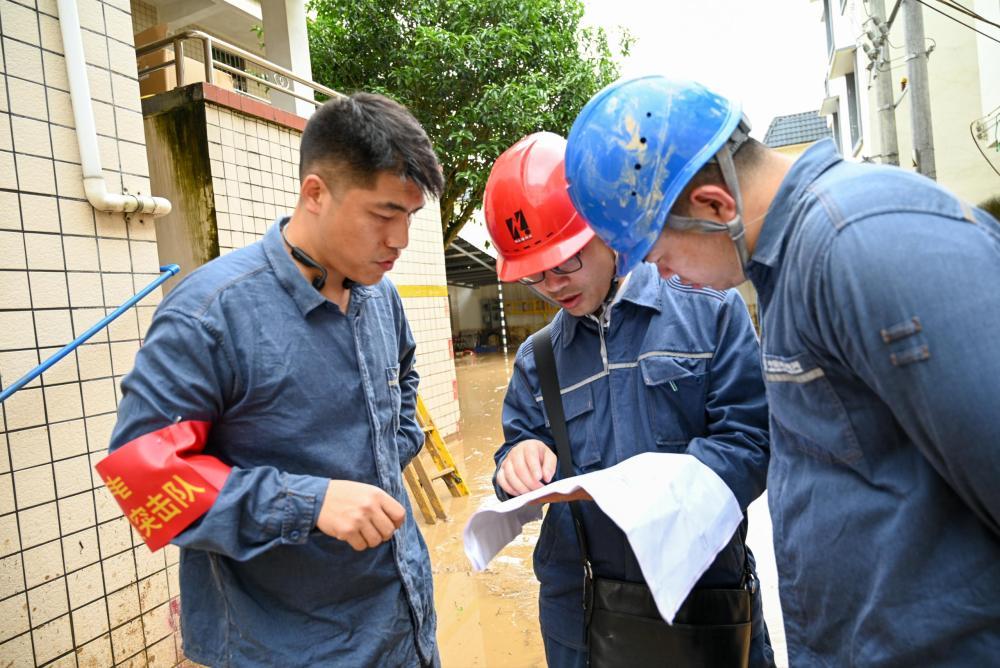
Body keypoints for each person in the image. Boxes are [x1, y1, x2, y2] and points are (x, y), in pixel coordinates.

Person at [564, 75, 1000, 665]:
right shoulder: (785, 270)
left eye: (662, 257)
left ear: (715, 207)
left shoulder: (866, 242)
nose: (665, 280)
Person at [98, 93, 444, 666]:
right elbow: (145, 481)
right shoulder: (210, 315)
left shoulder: (381, 298)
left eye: (409, 217)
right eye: (384, 215)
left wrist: (395, 444)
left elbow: (404, 375)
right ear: (315, 193)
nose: (400, 240)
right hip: (286, 645)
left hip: (405, 625)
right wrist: (308, 503)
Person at [484, 132, 775, 667]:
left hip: (701, 598)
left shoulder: (712, 311)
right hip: (582, 614)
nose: (552, 284)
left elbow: (753, 443)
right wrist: (516, 464)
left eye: (566, 261)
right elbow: (515, 449)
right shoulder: (536, 358)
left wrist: (654, 491)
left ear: (607, 228)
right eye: (534, 274)